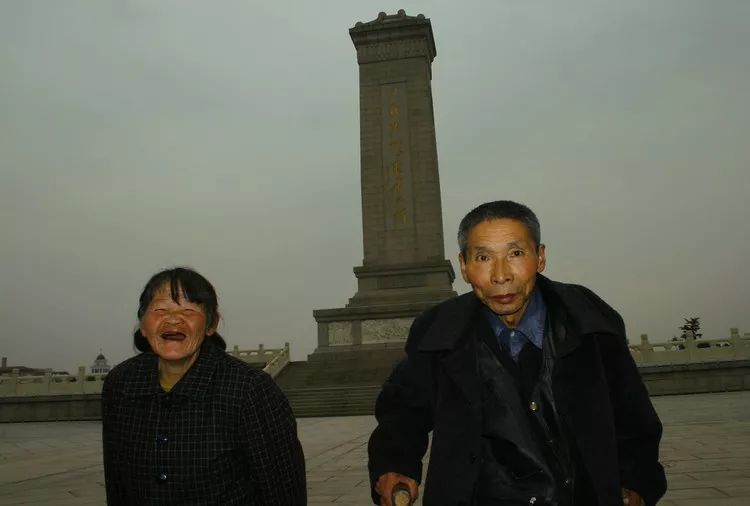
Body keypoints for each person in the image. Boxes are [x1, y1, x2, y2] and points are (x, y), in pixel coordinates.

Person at [368, 201, 667, 506]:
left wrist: (635, 480)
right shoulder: (439, 332)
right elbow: (404, 410)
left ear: (540, 257)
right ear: (464, 266)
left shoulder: (590, 324)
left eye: (516, 253)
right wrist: (395, 463)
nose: (501, 275)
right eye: (483, 257)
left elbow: (633, 417)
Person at [102, 267, 306, 505]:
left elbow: (284, 492)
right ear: (143, 324)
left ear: (211, 324)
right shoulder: (121, 384)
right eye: (160, 310)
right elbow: (116, 484)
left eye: (188, 310)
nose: (173, 319)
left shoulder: (250, 390)